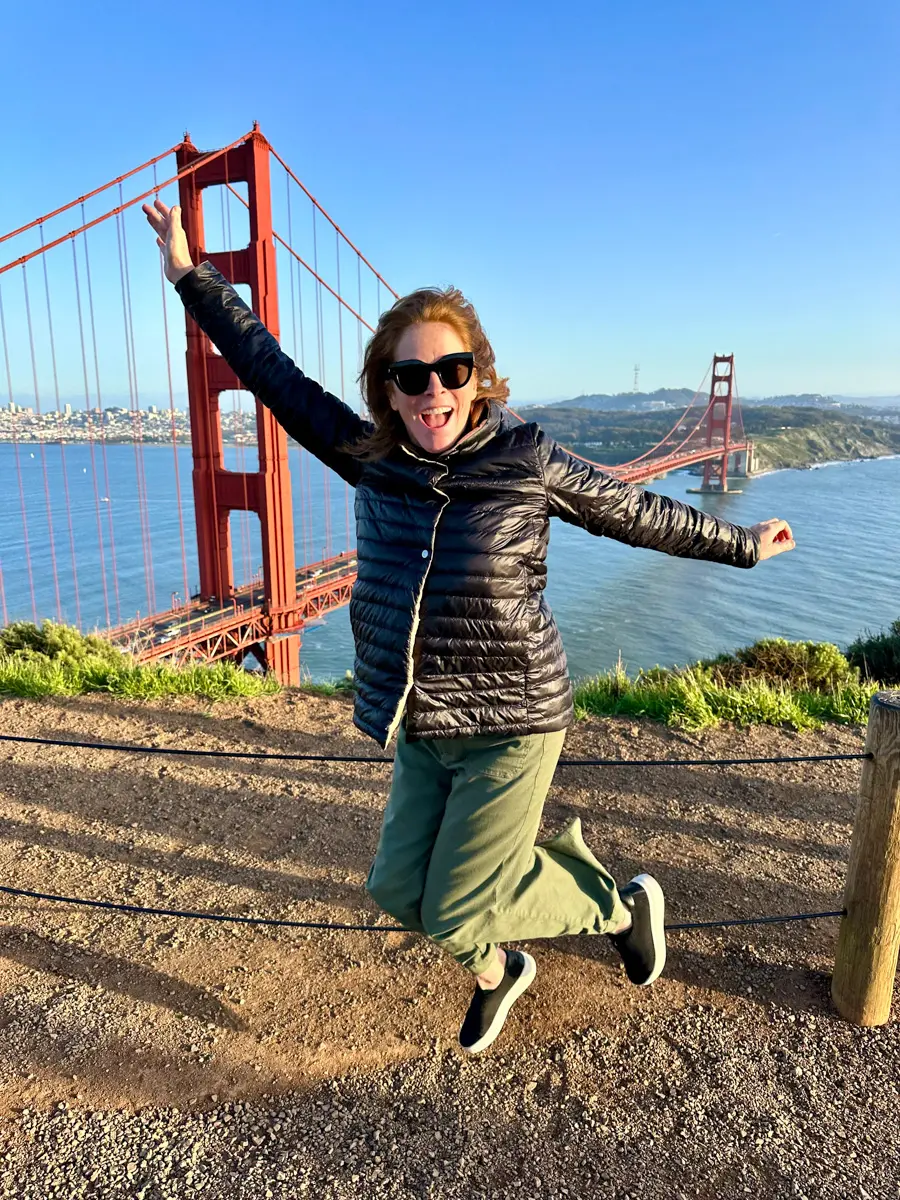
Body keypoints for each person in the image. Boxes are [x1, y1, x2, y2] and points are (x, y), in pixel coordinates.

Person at [143, 199, 796, 1055]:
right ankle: (501, 970)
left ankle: (619, 905)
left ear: (478, 376)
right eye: (409, 378)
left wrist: (742, 544)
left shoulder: (527, 458)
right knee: (397, 892)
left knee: (456, 902)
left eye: (450, 371)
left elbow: (636, 513)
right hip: (422, 718)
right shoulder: (371, 458)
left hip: (513, 718)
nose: (432, 393)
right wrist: (196, 279)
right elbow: (274, 374)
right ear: (386, 388)